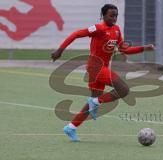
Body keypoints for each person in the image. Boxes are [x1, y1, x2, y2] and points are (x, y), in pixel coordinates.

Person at [51, 4, 155, 142]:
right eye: (111, 15)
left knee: (92, 102)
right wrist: (60, 50)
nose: (114, 18)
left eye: (116, 15)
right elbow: (75, 34)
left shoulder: (116, 30)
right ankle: (97, 101)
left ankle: (71, 127)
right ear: (103, 15)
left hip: (102, 68)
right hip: (96, 68)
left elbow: (124, 49)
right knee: (123, 90)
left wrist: (143, 48)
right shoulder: (98, 28)